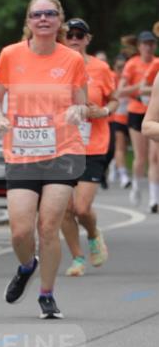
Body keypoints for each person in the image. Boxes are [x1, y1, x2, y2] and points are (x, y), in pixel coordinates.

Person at [0, 0, 87, 319]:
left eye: (49, 14)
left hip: (63, 151)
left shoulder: (71, 59)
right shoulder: (10, 54)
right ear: (28, 22)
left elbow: (82, 102)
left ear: (59, 20)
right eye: (36, 14)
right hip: (22, 151)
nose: (43, 19)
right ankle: (27, 265)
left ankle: (47, 295)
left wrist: (77, 109)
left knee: (48, 225)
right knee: (20, 231)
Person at [60, 19, 118, 276]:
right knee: (62, 207)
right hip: (61, 145)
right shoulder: (55, 66)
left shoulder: (101, 68)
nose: (74, 39)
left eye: (79, 35)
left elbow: (114, 99)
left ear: (87, 39)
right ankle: (77, 258)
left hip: (92, 145)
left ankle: (93, 234)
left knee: (81, 208)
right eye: (69, 35)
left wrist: (103, 110)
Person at [117, 31, 159, 210]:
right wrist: (140, 88)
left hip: (155, 112)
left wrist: (148, 90)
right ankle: (136, 185)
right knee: (140, 156)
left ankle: (154, 198)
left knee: (155, 157)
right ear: (139, 46)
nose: (148, 47)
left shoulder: (157, 63)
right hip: (136, 112)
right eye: (145, 44)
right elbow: (121, 91)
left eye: (151, 44)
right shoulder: (132, 64)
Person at [105, 53, 131, 189]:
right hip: (114, 118)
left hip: (130, 116)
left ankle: (115, 165)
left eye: (124, 67)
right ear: (114, 67)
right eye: (119, 67)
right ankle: (123, 175)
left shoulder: (129, 77)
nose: (121, 70)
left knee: (124, 147)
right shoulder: (111, 77)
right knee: (117, 147)